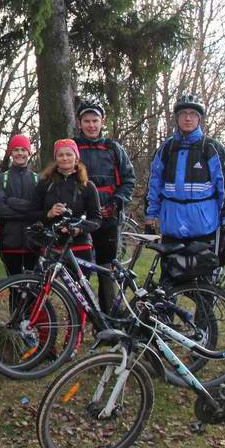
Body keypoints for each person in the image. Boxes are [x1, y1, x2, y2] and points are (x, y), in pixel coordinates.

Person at [145, 94, 225, 275]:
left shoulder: (211, 147)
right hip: (172, 226)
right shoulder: (166, 148)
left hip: (204, 227)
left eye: (193, 114)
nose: (188, 118)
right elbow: (154, 184)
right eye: (183, 114)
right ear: (177, 118)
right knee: (169, 279)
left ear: (199, 118)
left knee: (203, 281)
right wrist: (150, 216)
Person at [73, 101, 136, 311]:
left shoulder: (113, 149)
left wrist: (117, 202)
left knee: (107, 268)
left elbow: (128, 180)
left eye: (95, 121)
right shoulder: (73, 148)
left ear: (103, 122)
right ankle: (81, 315)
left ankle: (109, 316)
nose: (91, 125)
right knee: (80, 270)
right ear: (79, 123)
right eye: (87, 121)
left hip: (109, 219)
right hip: (81, 220)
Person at [35, 139, 102, 267]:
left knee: (78, 281)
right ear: (55, 159)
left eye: (69, 154)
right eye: (60, 155)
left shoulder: (87, 186)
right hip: (51, 245)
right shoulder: (44, 184)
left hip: (80, 246)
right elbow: (31, 213)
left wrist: (79, 229)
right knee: (47, 280)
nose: (65, 158)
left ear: (76, 158)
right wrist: (48, 214)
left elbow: (96, 220)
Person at [0, 134, 43, 276]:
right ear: (10, 153)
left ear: (29, 153)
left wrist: (11, 201)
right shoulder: (1, 179)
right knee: (13, 284)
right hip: (9, 241)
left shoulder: (38, 179)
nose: (20, 153)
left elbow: (40, 209)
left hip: (33, 242)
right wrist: (30, 212)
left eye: (23, 150)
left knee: (32, 284)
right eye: (16, 150)